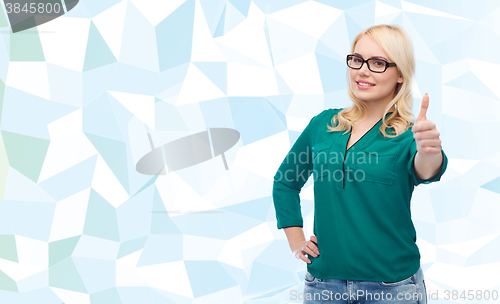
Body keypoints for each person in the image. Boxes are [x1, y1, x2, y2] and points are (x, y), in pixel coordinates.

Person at [272, 24, 448, 304]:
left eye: (378, 63)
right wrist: (296, 240)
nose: (362, 70)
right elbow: (285, 181)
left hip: (393, 287)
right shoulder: (323, 125)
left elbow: (426, 169)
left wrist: (430, 149)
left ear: (400, 74)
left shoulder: (408, 134)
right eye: (357, 59)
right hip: (323, 285)